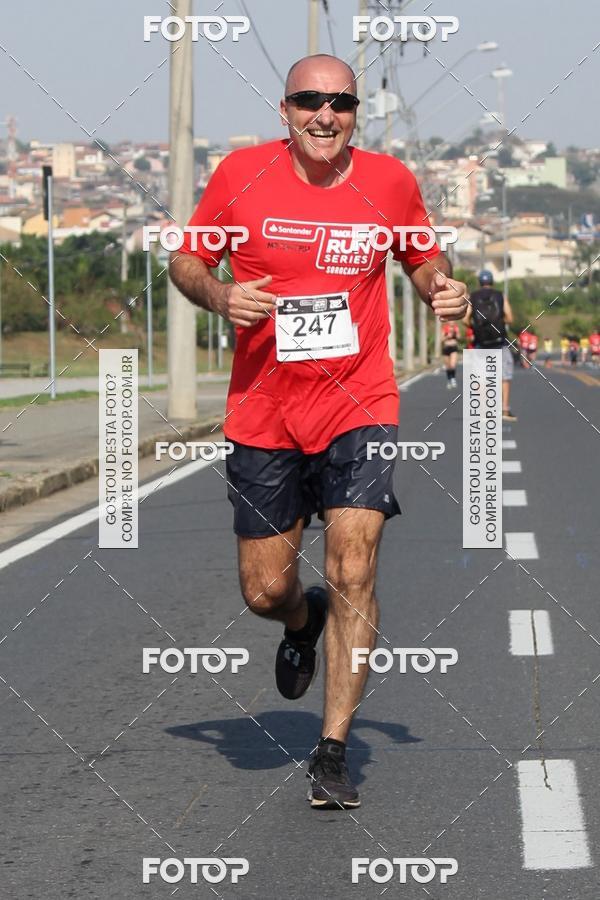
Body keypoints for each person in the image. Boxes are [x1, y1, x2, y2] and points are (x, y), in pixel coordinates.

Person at [168, 54, 469, 809]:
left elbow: (421, 258)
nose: (325, 115)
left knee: (355, 567)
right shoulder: (240, 174)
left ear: (355, 113)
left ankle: (331, 749)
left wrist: (440, 288)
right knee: (265, 589)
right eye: (311, 101)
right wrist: (219, 293)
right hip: (265, 407)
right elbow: (185, 259)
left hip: (359, 404)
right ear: (285, 109)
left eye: (341, 103)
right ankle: (303, 622)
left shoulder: (391, 182)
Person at [463, 270, 517, 422]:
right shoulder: (500, 296)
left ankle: (483, 412)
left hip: (481, 343)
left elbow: (465, 320)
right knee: (504, 376)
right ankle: (505, 410)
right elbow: (510, 318)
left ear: (480, 282)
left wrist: (476, 328)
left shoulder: (473, 297)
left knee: (481, 378)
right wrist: (498, 324)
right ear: (492, 281)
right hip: (499, 342)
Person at [441, 321, 460, 388]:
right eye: (450, 320)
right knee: (448, 366)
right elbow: (441, 339)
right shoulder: (445, 328)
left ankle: (453, 378)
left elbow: (459, 337)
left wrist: (455, 334)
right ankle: (449, 379)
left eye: (453, 320)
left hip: (453, 348)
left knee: (452, 365)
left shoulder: (456, 328)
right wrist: (447, 337)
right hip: (446, 348)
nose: (452, 322)